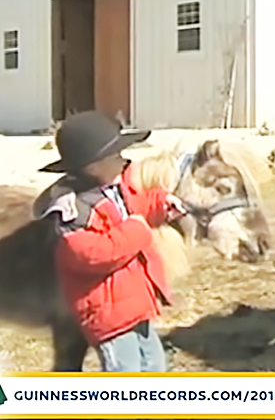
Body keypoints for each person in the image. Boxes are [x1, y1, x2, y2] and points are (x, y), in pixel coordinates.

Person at [33, 110, 187, 372]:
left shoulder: (112, 188)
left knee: (153, 366)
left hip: (135, 303)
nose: (124, 161)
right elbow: (94, 253)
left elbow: (134, 207)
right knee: (124, 372)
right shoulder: (73, 211)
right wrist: (137, 230)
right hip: (108, 316)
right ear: (93, 166)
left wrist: (160, 203)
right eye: (116, 156)